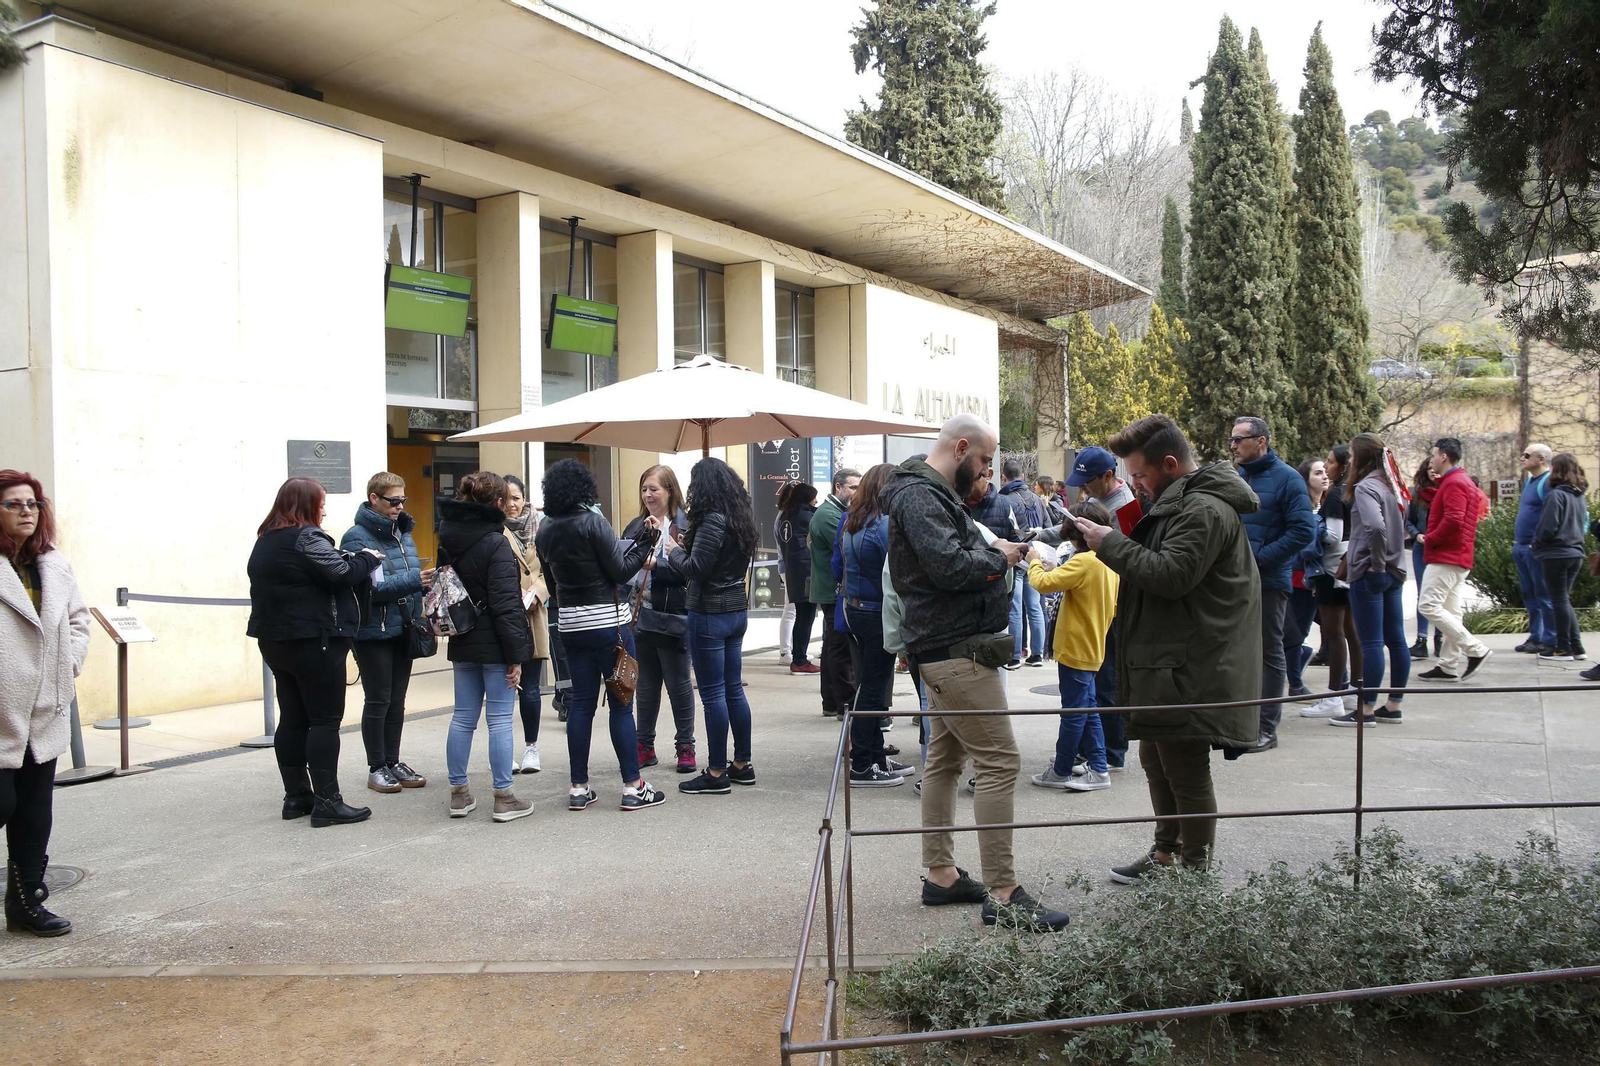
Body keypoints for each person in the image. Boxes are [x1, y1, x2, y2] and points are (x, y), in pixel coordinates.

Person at [885, 413, 1070, 933]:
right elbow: (948, 565)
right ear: (961, 447)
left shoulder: (926, 492)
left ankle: (942, 875)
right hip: (957, 653)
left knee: (944, 761)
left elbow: (951, 558)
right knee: (999, 762)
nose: (987, 470)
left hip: (949, 650)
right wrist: (998, 556)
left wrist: (989, 553)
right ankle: (1004, 892)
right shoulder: (921, 495)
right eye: (985, 460)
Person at [1071, 415, 1261, 881]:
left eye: (1139, 474)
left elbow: (1171, 576)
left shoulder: (1203, 510)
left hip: (1191, 664)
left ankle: (1193, 872)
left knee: (1185, 769)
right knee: (1158, 759)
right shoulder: (1185, 504)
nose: (1134, 484)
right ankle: (1166, 853)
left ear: (1170, 464)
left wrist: (1108, 543)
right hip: (1171, 660)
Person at [248, 478, 382, 828]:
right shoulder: (307, 536)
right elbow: (340, 575)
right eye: (321, 502)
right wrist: (367, 559)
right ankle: (327, 802)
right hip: (315, 641)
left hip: (275, 642)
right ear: (306, 504)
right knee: (323, 721)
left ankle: (296, 797)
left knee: (292, 717)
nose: (324, 508)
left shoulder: (266, 539)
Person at [534, 460, 665, 812]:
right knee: (622, 705)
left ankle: (579, 787)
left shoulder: (544, 529)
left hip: (571, 625)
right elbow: (621, 572)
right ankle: (632, 786)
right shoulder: (594, 522)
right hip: (610, 623)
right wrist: (647, 541)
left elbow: (551, 585)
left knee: (581, 704)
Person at [0, 471, 90, 936]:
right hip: (1, 711)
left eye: (32, 504)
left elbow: (78, 620)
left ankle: (26, 903)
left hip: (43, 710)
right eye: (14, 504)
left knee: (34, 812)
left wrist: (67, 664)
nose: (26, 512)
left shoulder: (52, 563)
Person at [437, 472, 537, 822]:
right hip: (495, 642)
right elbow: (507, 605)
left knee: (463, 717)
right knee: (498, 720)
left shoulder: (446, 537)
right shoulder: (497, 542)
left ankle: (459, 793)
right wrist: (517, 656)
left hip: (462, 636)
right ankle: (503, 795)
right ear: (497, 503)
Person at [668, 458, 760, 795]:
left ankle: (717, 771)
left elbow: (696, 568)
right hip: (735, 609)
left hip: (709, 612)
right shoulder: (741, 518)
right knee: (733, 688)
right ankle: (742, 764)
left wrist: (672, 551)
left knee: (713, 695)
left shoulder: (712, 520)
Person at [342, 472, 434, 795]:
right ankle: (376, 765)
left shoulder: (402, 535)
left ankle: (393, 761)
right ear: (374, 499)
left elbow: (409, 578)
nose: (399, 507)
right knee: (378, 699)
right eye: (393, 501)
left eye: (403, 500)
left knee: (397, 701)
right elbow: (370, 588)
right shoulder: (357, 537)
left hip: (404, 628)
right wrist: (415, 581)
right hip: (373, 632)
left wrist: (421, 596)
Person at [1229, 416, 1315, 754]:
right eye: (1232, 440)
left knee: (1269, 652)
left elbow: (1303, 531)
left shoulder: (1288, 479)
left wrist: (1261, 557)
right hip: (1235, 579)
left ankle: (1267, 728)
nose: (1234, 445)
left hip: (1268, 580)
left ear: (1261, 441)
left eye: (1240, 439)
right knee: (1239, 651)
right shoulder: (1236, 477)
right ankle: (1241, 722)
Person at [1027, 499, 1118, 793]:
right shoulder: (1108, 559)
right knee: (1088, 709)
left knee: (1074, 712)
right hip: (1093, 645)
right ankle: (1099, 768)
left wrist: (1034, 561)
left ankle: (1062, 769)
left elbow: (1042, 584)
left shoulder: (1083, 561)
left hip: (1075, 647)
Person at [834, 464, 912, 787]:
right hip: (878, 612)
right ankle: (864, 764)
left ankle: (875, 757)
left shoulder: (853, 522)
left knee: (871, 685)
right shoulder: (882, 526)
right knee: (873, 689)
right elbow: (898, 573)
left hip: (856, 609)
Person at [622, 465, 698, 774]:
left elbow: (691, 572)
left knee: (679, 685)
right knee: (646, 685)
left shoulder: (686, 527)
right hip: (639, 616)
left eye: (655, 488)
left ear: (670, 491)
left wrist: (657, 566)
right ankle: (644, 746)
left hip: (674, 615)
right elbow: (623, 563)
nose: (649, 495)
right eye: (644, 489)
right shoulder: (636, 526)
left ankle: (685, 747)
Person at [1336, 434, 1411, 726]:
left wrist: (1376, 566)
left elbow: (1376, 528)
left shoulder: (1366, 487)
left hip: (1372, 573)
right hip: (1394, 571)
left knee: (1371, 642)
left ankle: (1366, 709)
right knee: (1397, 640)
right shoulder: (1391, 485)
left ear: (1362, 456)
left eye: (1353, 455)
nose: (1350, 460)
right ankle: (1393, 705)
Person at [1416, 438, 1492, 682]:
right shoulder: (1460, 481)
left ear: (1444, 457)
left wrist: (1430, 539)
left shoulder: (1455, 483)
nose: (1432, 459)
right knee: (1451, 611)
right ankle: (1448, 665)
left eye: (1434, 455)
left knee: (1428, 605)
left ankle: (1476, 650)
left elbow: (1454, 520)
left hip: (1447, 555)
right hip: (1456, 555)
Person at [501, 475, 551, 776]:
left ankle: (531, 747)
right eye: (506, 498)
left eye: (516, 497)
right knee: (504, 686)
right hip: (505, 614)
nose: (511, 504)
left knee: (530, 688)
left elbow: (550, 569)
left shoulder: (541, 530)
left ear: (525, 498)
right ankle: (504, 748)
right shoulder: (494, 530)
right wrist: (514, 593)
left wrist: (538, 594)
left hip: (533, 614)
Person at [1312, 445, 1363, 713]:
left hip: (1332, 569)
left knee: (1334, 633)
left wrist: (1311, 527)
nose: (1326, 465)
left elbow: (1333, 535)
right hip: (1349, 567)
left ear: (1342, 466)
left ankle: (1334, 695)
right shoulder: (1353, 492)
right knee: (1351, 631)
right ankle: (1355, 689)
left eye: (1330, 462)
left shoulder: (1335, 495)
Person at [964, 462, 1029, 669]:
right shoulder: (955, 503)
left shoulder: (1004, 504)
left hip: (1001, 582)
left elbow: (1020, 537)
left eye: (975, 478)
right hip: (968, 587)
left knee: (1014, 612)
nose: (969, 484)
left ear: (988, 475)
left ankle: (1014, 655)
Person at [1289, 457, 1340, 716]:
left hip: (1317, 578)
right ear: (1306, 478)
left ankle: (1299, 666)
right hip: (1300, 578)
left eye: (1325, 472)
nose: (1324, 476)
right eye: (1318, 473)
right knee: (1298, 631)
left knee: (1314, 629)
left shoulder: (1323, 506)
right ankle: (1295, 683)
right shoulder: (1303, 507)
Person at [1532, 453, 1591, 663]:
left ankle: (1563, 648)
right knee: (1563, 601)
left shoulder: (1556, 495)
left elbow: (1548, 527)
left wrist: (1536, 543)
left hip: (1556, 554)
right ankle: (1577, 647)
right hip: (1575, 552)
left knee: (1559, 600)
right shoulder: (1579, 496)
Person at [811, 469, 860, 718]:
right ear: (838, 487)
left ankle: (832, 702)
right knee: (839, 648)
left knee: (833, 645)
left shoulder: (834, 513)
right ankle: (843, 704)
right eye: (853, 487)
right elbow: (846, 546)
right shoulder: (830, 515)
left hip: (833, 588)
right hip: (833, 589)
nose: (856, 492)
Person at [999, 459, 1049, 665]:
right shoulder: (1037, 499)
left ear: (1003, 478)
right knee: (1035, 606)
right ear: (1022, 477)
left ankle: (1014, 655)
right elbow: (1048, 525)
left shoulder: (1004, 499)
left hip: (1016, 559)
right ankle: (1038, 653)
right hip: (1035, 556)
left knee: (1016, 608)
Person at [1512, 444, 1557, 654]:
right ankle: (1536, 636)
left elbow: (1552, 515)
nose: (1522, 458)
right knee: (1530, 593)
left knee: (1543, 594)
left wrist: (1537, 541)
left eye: (1527, 455)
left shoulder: (1547, 483)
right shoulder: (1530, 481)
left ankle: (1550, 638)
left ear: (1541, 459)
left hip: (1535, 548)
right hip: (1522, 547)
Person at [777, 481, 820, 674]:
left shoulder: (786, 516)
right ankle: (800, 661)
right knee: (806, 617)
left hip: (793, 571)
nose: (816, 500)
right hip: (807, 572)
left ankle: (798, 658)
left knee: (800, 616)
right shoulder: (807, 516)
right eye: (813, 497)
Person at [1404, 458, 1440, 659]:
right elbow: (1409, 520)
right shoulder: (1418, 494)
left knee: (1439, 596)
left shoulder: (1447, 492)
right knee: (1423, 594)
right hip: (1421, 547)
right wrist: (1417, 534)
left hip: (1440, 549)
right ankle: (1421, 640)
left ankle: (1440, 639)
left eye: (1435, 468)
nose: (1433, 472)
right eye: (1429, 469)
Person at [1066, 446, 1144, 534]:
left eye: (1086, 482)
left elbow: (1122, 547)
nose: (1081, 487)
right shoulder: (1097, 493)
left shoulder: (1124, 509)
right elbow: (1074, 523)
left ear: (1107, 476)